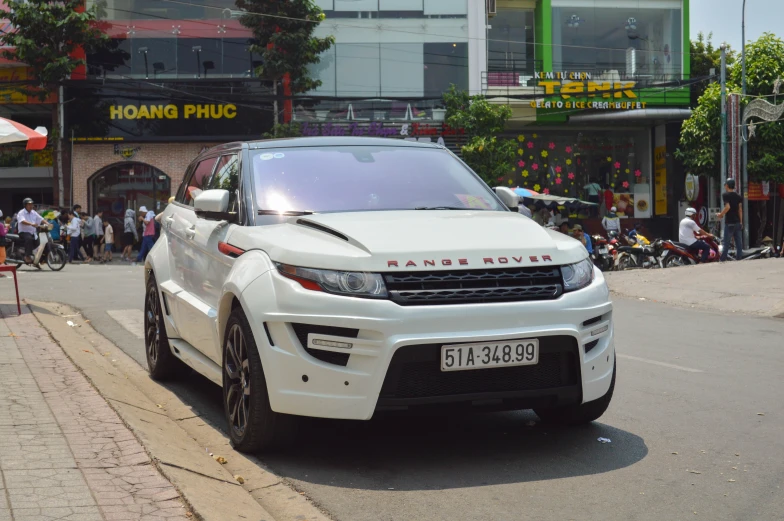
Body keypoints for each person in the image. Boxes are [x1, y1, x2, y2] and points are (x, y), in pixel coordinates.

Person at [717, 178, 743, 262]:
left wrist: (721, 214)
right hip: (737, 222)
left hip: (730, 223)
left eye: (725, 185)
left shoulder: (725, 195)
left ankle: (723, 259)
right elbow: (740, 210)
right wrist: (741, 222)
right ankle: (739, 258)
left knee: (726, 242)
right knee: (738, 242)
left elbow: (727, 207)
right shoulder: (738, 196)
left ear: (727, 185)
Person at [17, 198, 44, 266]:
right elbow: (22, 221)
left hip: (33, 233)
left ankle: (36, 259)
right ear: (25, 205)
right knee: (29, 239)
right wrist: (31, 224)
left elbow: (41, 219)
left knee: (39, 242)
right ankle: (27, 256)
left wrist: (48, 224)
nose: (31, 206)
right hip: (24, 232)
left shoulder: (34, 212)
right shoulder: (21, 212)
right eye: (29, 204)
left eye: (31, 204)